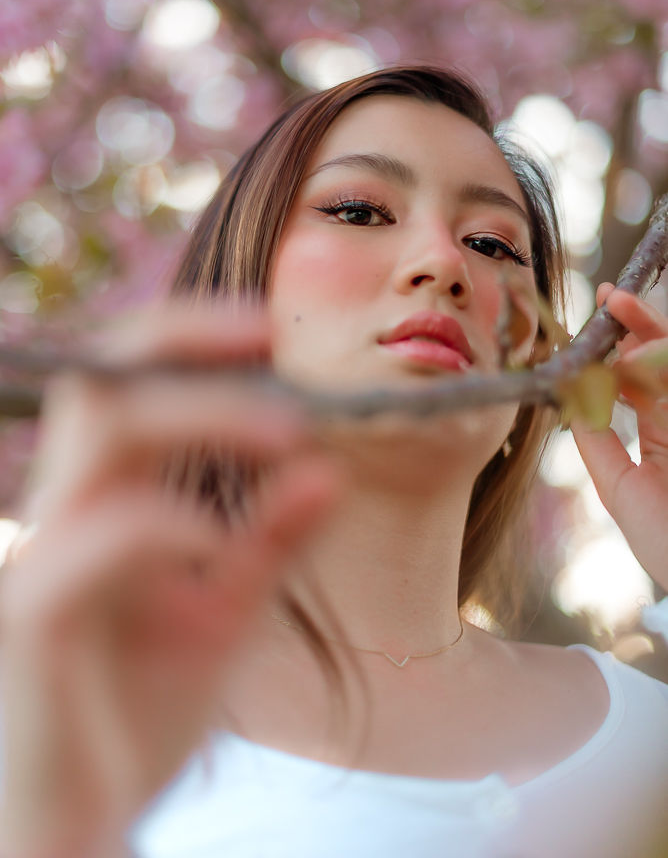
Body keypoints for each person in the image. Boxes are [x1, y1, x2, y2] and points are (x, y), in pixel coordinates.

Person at [0, 66, 667, 858]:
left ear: (537, 359)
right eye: (358, 211)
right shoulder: (47, 700)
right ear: (238, 281)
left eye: (491, 244)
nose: (443, 264)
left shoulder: (646, 740)